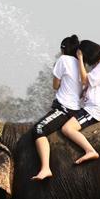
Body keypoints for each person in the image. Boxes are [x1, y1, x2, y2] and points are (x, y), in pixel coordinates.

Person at [31, 35, 82, 180]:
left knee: (38, 129)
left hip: (64, 109)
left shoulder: (63, 59)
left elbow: (55, 85)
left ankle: (45, 168)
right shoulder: (80, 63)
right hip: (75, 109)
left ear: (63, 49)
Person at [60, 40, 100, 165]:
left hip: (96, 110)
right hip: (91, 107)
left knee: (67, 128)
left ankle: (90, 150)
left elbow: (85, 80)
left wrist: (80, 59)